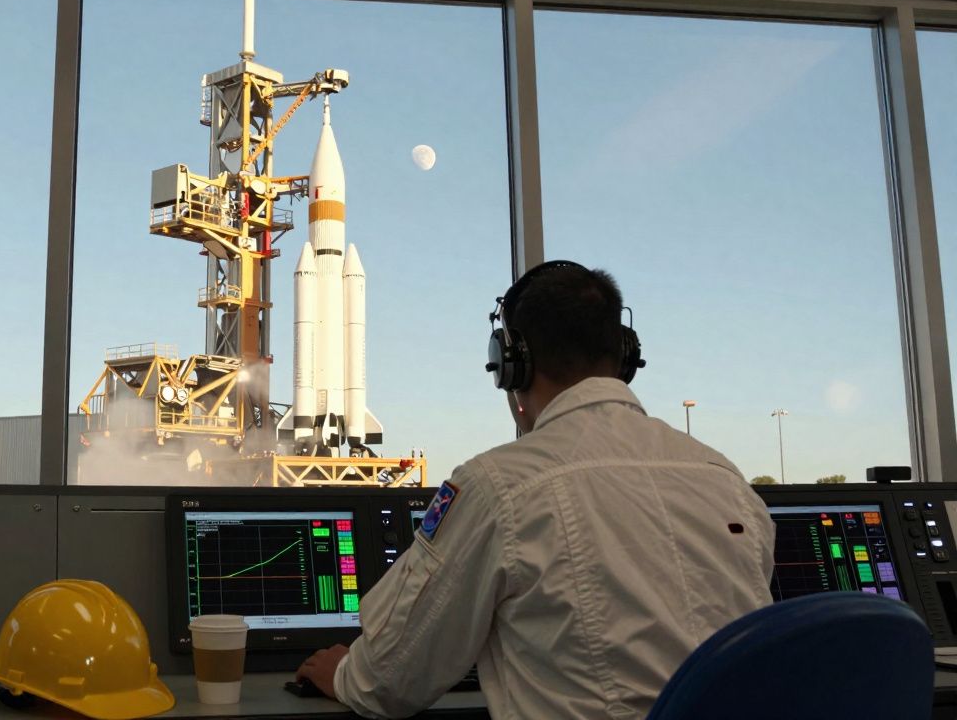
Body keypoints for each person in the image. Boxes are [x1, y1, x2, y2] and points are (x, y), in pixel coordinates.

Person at [295, 260, 776, 719]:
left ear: (510, 363)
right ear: (624, 353)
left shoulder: (499, 488)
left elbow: (392, 678)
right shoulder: (725, 479)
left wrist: (343, 675)